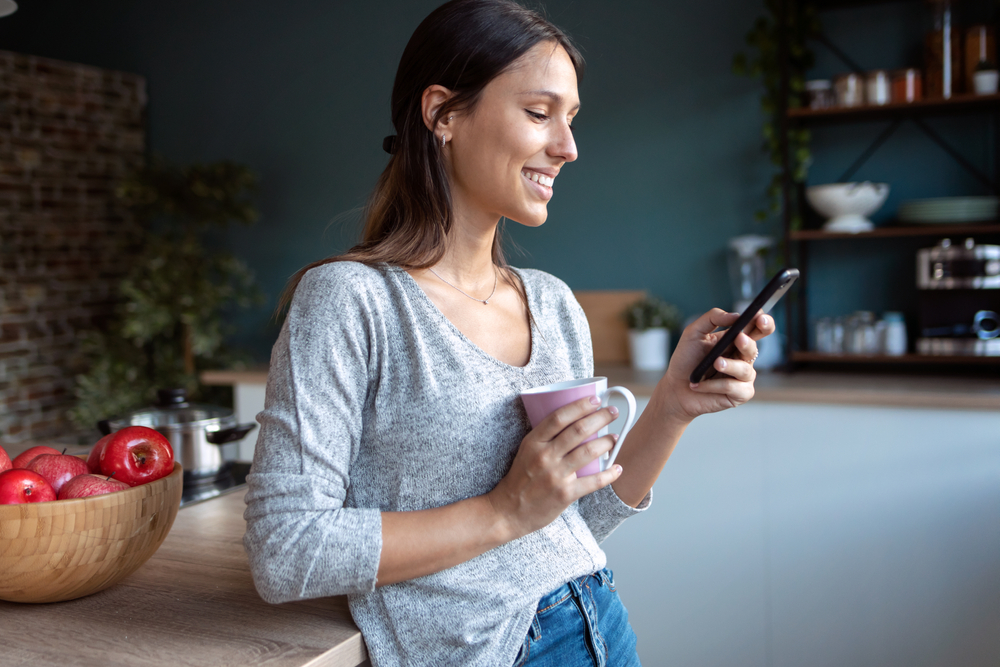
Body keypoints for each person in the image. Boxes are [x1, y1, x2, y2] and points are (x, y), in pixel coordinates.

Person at [242, 1, 774, 665]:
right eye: (538, 111)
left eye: (572, 119)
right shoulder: (353, 301)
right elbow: (286, 549)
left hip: (601, 625)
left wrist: (672, 405)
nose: (569, 146)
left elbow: (570, 523)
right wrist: (502, 510)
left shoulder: (552, 304)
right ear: (443, 114)